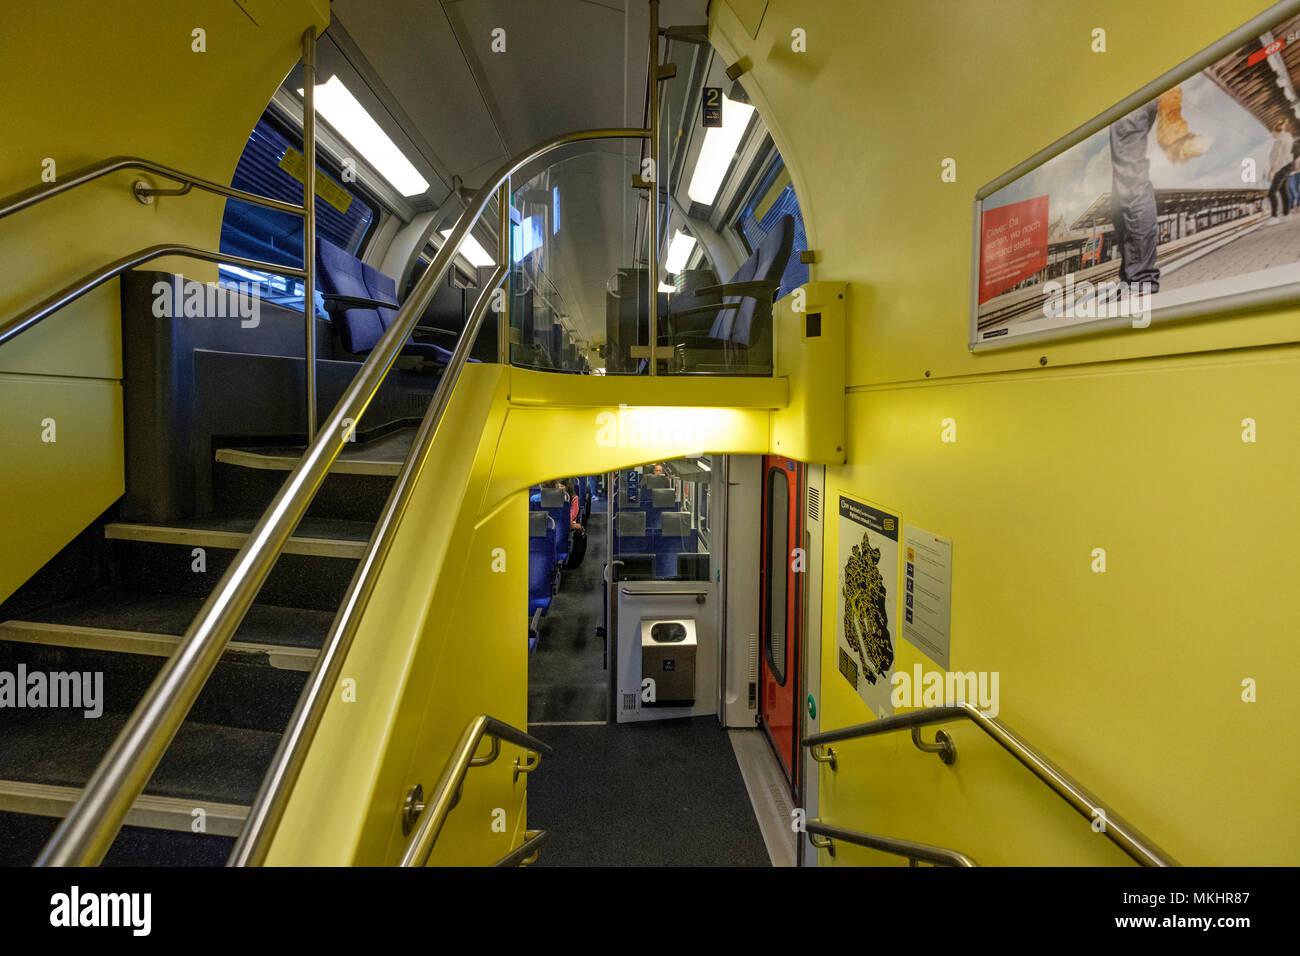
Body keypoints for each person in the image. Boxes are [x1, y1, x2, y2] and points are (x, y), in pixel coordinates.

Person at [1108, 86, 1206, 293]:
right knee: (1121, 189)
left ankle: (1140, 278)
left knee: (1130, 180)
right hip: (1137, 91)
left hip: (1131, 88)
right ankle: (1131, 276)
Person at [1266, 118, 1296, 223]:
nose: (1272, 135)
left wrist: (1270, 171)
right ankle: (1286, 214)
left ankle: (1274, 217)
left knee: (1271, 193)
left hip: (1282, 167)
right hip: (1287, 166)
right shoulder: (1288, 137)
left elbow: (1278, 157)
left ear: (1276, 131)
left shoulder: (1280, 140)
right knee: (1283, 190)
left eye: (1272, 133)